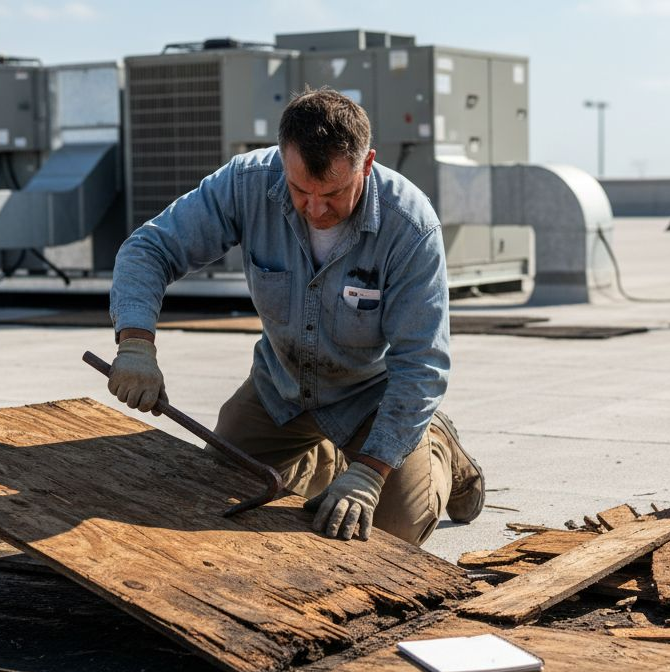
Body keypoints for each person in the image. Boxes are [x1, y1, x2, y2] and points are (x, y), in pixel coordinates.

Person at [105, 87, 483, 546]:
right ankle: (324, 458)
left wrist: (370, 472)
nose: (317, 209)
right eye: (301, 190)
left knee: (389, 535)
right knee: (216, 493)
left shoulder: (410, 225)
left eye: (335, 193)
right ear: (283, 158)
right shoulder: (247, 182)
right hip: (280, 388)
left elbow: (422, 363)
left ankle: (439, 447)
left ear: (366, 164)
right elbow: (149, 249)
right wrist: (136, 343)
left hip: (372, 397)